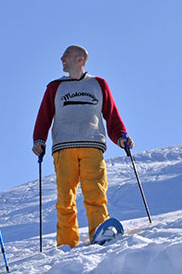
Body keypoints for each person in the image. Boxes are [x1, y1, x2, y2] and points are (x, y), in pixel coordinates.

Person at [32, 45, 134, 248]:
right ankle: (66, 243)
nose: (62, 58)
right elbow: (44, 117)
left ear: (80, 59)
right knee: (65, 197)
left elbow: (111, 115)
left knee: (96, 193)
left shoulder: (99, 84)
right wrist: (39, 140)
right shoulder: (54, 87)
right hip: (63, 148)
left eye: (66, 55)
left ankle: (101, 234)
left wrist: (121, 137)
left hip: (92, 146)